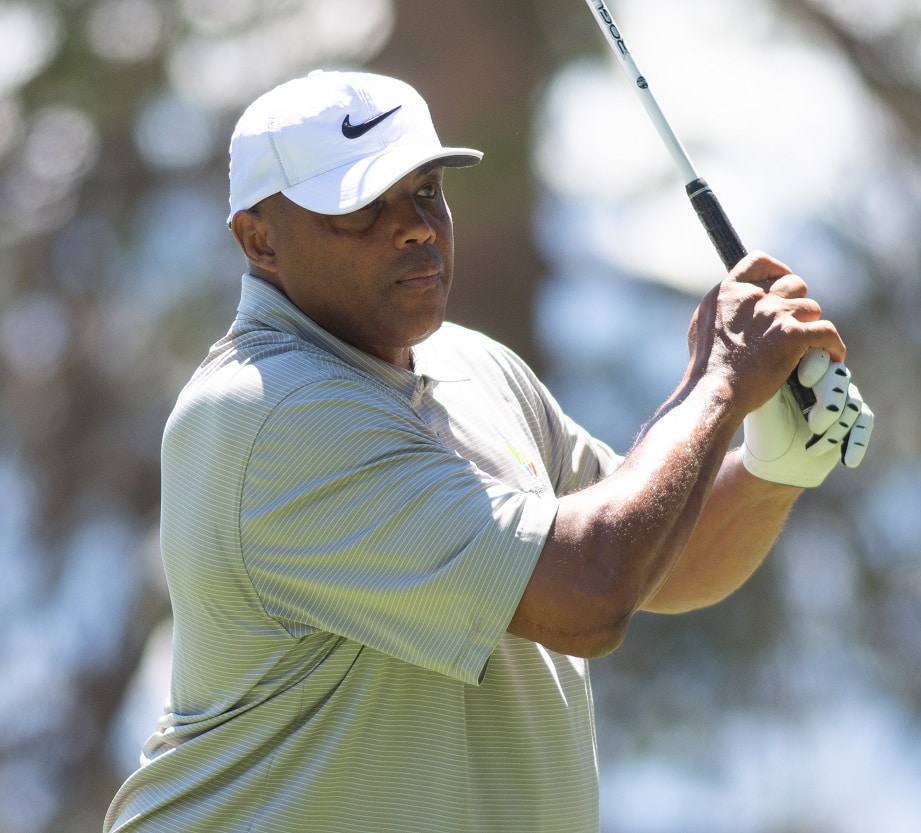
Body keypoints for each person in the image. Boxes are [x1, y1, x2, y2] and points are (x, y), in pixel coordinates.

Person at [104, 69, 873, 832]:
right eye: (363, 207)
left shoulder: (474, 365)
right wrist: (717, 384)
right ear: (259, 238)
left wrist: (776, 464)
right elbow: (591, 590)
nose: (413, 226)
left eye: (425, 192)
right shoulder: (267, 411)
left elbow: (660, 555)